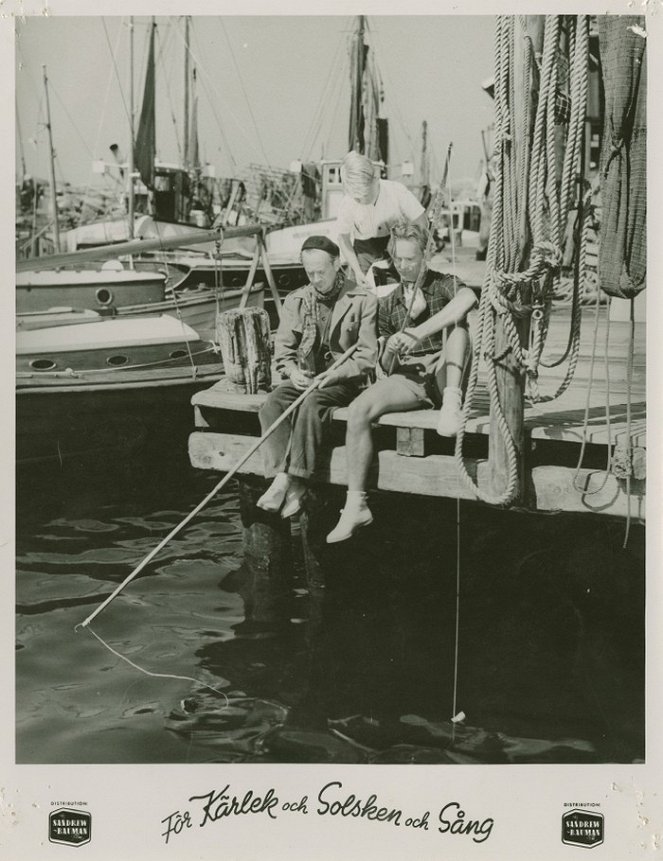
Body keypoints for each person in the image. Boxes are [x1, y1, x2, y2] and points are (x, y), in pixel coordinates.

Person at [326, 221, 478, 543]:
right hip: (410, 376)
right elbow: (383, 366)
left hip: (444, 370)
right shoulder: (390, 301)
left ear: (426, 255)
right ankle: (356, 504)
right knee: (358, 410)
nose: (405, 266)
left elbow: (467, 299)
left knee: (458, 329)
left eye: (412, 259)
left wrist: (418, 332)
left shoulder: (444, 284)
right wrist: (393, 346)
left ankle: (452, 402)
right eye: (400, 260)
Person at [256, 235, 378, 517]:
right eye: (309, 273)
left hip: (344, 383)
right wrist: (293, 372)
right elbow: (283, 354)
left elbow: (367, 358)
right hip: (307, 379)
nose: (315, 279)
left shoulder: (363, 300)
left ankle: (293, 480)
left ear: (337, 264)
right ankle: (279, 476)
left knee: (312, 405)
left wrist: (334, 376)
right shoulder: (296, 300)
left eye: (320, 272)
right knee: (272, 403)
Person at [336, 151, 428, 290]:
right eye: (357, 198)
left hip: (397, 245)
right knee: (358, 294)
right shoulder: (347, 202)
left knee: (403, 291)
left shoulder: (396, 191)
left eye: (365, 195)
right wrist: (357, 271)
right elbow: (344, 239)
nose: (362, 201)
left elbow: (421, 220)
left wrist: (415, 250)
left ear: (375, 179)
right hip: (363, 250)